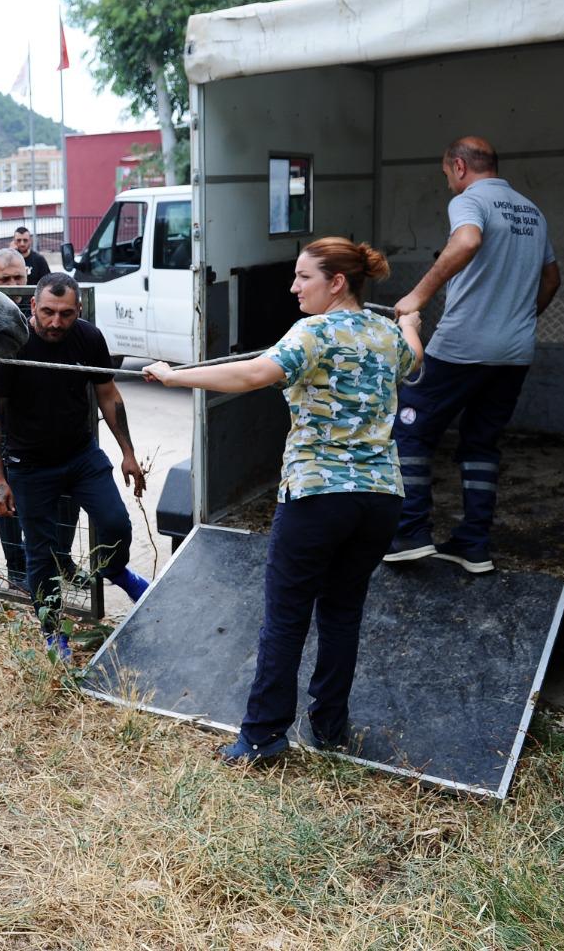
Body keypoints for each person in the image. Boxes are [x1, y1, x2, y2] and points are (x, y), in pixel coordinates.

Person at [143, 238, 423, 764]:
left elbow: (252, 374)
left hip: (318, 496)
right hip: (380, 498)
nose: (293, 287)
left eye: (303, 277)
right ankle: (329, 728)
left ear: (336, 282)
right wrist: (411, 320)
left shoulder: (313, 332)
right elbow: (415, 356)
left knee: (286, 617)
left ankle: (262, 737)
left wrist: (175, 375)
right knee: (342, 613)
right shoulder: (386, 332)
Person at [383, 136, 561, 574]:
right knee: (481, 442)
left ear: (460, 167)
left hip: (462, 347)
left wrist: (417, 297)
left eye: (447, 174)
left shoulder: (469, 201)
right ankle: (473, 544)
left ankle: (410, 532)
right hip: (514, 353)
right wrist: (517, 321)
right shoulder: (532, 212)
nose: (448, 182)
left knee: (409, 429)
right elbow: (552, 280)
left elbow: (466, 241)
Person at [0, 272, 148, 658]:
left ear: (79, 310)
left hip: (80, 455)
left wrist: (128, 452)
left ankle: (115, 570)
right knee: (42, 554)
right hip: (29, 465)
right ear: (33, 306)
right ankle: (53, 632)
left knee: (116, 523)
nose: (56, 322)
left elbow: (108, 394)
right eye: (48, 312)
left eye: (66, 314)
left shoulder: (89, 338)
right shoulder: (12, 344)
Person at [0, 249, 79, 591]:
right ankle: (17, 569)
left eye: (18, 278)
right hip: (4, 427)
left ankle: (62, 560)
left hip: (53, 425)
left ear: (28, 276)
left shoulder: (44, 314)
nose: (12, 285)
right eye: (5, 279)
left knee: (66, 498)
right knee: (8, 498)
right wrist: (11, 377)